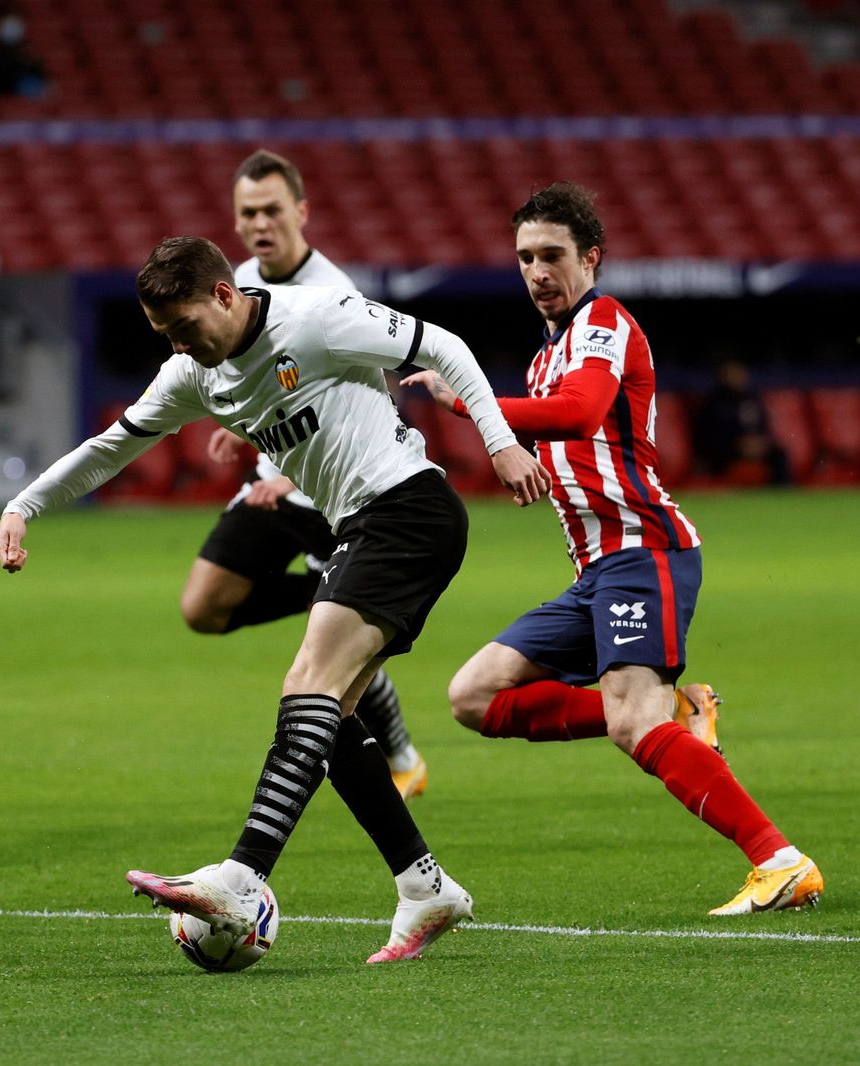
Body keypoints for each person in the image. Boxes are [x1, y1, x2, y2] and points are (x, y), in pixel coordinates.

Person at [0, 236, 550, 962]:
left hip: (409, 510)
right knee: (332, 718)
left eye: (185, 326)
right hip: (362, 523)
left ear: (223, 295)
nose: (180, 345)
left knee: (306, 686)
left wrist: (500, 439)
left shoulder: (315, 320)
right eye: (164, 334)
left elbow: (441, 345)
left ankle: (242, 875)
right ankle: (424, 886)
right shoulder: (196, 373)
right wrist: (24, 505)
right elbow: (111, 445)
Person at [404, 182, 821, 916]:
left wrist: (469, 402)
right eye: (525, 258)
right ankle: (680, 714)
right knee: (472, 696)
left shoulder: (605, 321)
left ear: (590, 258)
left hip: (644, 549)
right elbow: (560, 435)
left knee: (632, 725)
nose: (537, 272)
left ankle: (780, 860)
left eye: (552, 255)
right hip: (593, 572)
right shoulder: (542, 358)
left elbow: (584, 410)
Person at [185, 148, 429, 798]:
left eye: (270, 210)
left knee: (339, 653)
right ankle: (325, 596)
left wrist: (291, 479)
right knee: (203, 607)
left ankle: (403, 754)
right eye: (247, 213)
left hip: (331, 489)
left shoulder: (332, 290)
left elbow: (380, 396)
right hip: (270, 478)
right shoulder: (230, 284)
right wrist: (237, 429)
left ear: (300, 210)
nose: (260, 223)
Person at [694, 359, 791, 484]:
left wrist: (759, 442)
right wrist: (738, 443)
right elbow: (708, 435)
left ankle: (782, 493)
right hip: (726, 450)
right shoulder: (714, 403)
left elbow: (762, 426)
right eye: (734, 373)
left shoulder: (751, 399)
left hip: (752, 447)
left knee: (778, 454)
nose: (739, 376)